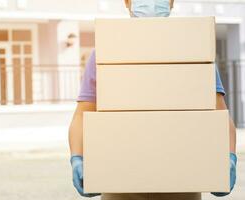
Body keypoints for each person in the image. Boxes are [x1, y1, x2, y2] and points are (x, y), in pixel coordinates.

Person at [68, 0, 237, 199]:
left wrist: (228, 157)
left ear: (171, 2)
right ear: (127, 2)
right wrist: (77, 158)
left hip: (182, 183)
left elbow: (219, 112)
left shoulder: (195, 52)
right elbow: (82, 113)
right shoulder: (105, 53)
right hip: (121, 184)